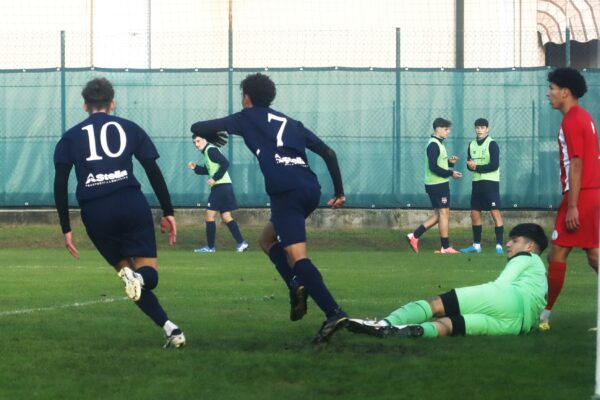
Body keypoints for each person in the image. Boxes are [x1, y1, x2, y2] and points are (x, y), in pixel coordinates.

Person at [190, 73, 348, 344]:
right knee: (266, 240)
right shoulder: (291, 122)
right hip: (310, 189)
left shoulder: (245, 117)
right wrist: (340, 192)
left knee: (297, 257)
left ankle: (333, 312)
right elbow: (329, 154)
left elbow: (198, 126)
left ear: (246, 97)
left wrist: (212, 135)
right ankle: (295, 283)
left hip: (285, 191)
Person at [53, 77, 185, 348]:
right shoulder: (130, 128)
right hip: (131, 203)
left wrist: (66, 228)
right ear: (112, 103)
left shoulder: (70, 137)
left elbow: (60, 184)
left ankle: (170, 329)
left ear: (84, 106)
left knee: (127, 276)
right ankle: (168, 325)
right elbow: (152, 170)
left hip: (96, 211)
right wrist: (168, 211)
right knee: (149, 276)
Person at [348, 223, 548, 339]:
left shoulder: (525, 258)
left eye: (515, 240)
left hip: (506, 299)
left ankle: (383, 324)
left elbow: (503, 285)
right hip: (516, 326)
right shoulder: (541, 274)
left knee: (437, 304)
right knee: (448, 325)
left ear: (530, 246)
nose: (508, 243)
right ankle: (413, 331)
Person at [539, 67, 600, 331]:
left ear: (565, 92)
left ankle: (543, 315)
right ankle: (544, 313)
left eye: (552, 88)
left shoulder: (573, 120)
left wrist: (573, 205)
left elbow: (576, 162)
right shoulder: (582, 116)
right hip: (588, 193)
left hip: (582, 196)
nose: (548, 93)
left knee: (560, 251)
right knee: (591, 254)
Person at [406, 117, 462, 254]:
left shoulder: (439, 144)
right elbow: (433, 167)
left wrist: (450, 163)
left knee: (440, 215)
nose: (448, 132)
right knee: (444, 213)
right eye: (446, 129)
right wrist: (450, 173)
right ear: (437, 129)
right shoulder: (433, 145)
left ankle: (414, 236)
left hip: (438, 184)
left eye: (449, 129)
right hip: (437, 184)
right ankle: (445, 247)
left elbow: (439, 164)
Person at [188, 135, 248, 253]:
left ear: (205, 140)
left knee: (209, 215)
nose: (196, 144)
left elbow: (225, 163)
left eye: (198, 141)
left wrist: (215, 179)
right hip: (225, 186)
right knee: (226, 217)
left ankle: (210, 247)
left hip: (221, 187)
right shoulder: (207, 152)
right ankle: (242, 243)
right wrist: (195, 168)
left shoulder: (211, 150)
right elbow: (207, 170)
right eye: (194, 142)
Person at [460, 118, 504, 255]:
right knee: (474, 213)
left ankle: (499, 246)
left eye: (482, 127)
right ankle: (477, 245)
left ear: (487, 129)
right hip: (477, 183)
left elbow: (494, 165)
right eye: (477, 127)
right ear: (475, 129)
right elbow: (470, 165)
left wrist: (477, 167)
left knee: (494, 212)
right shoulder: (471, 144)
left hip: (490, 182)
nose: (480, 130)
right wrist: (470, 166)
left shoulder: (492, 144)